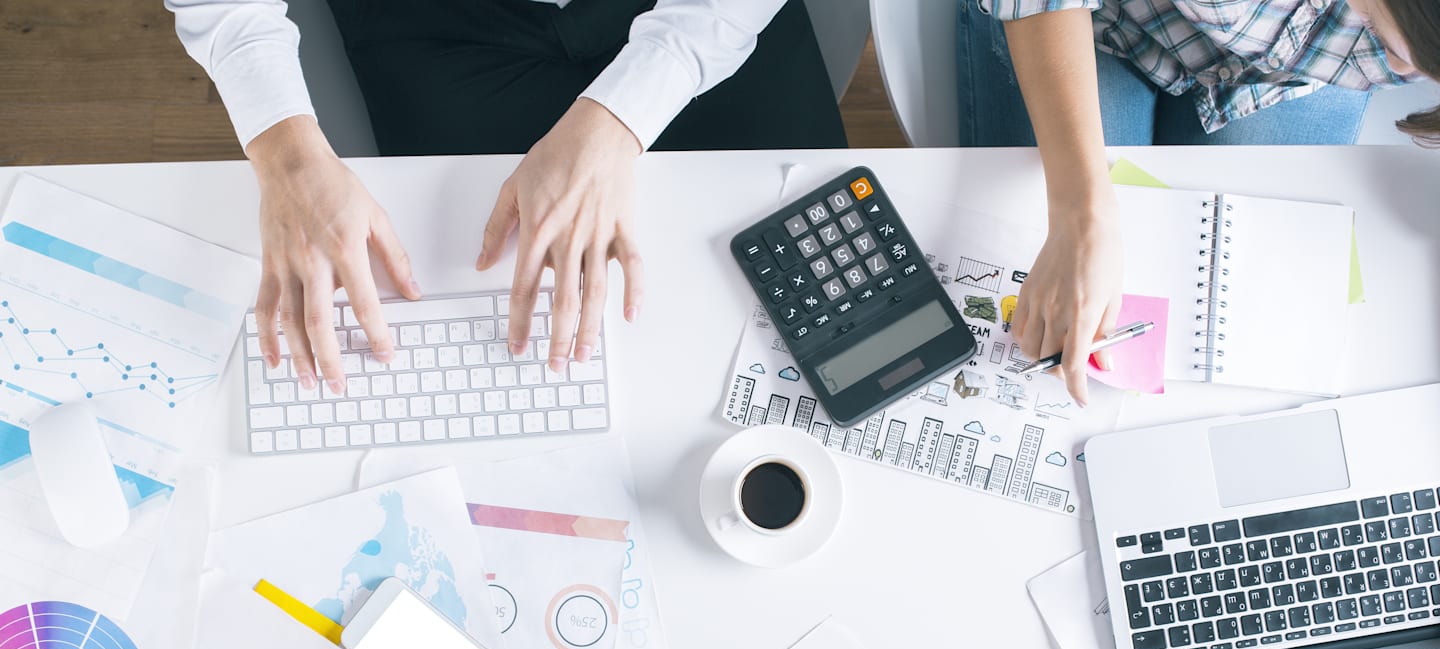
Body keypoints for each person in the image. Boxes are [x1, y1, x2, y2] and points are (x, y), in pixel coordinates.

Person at [167, 0, 845, 395]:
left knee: (833, 308)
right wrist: (285, 157)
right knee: (473, 354)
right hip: (433, 22)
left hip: (699, 10)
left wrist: (621, 117)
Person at [956, 0, 1437, 404]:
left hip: (1292, 70)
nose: (1399, 70)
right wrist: (1079, 213)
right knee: (1038, 258)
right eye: (1379, 33)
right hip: (1103, 19)